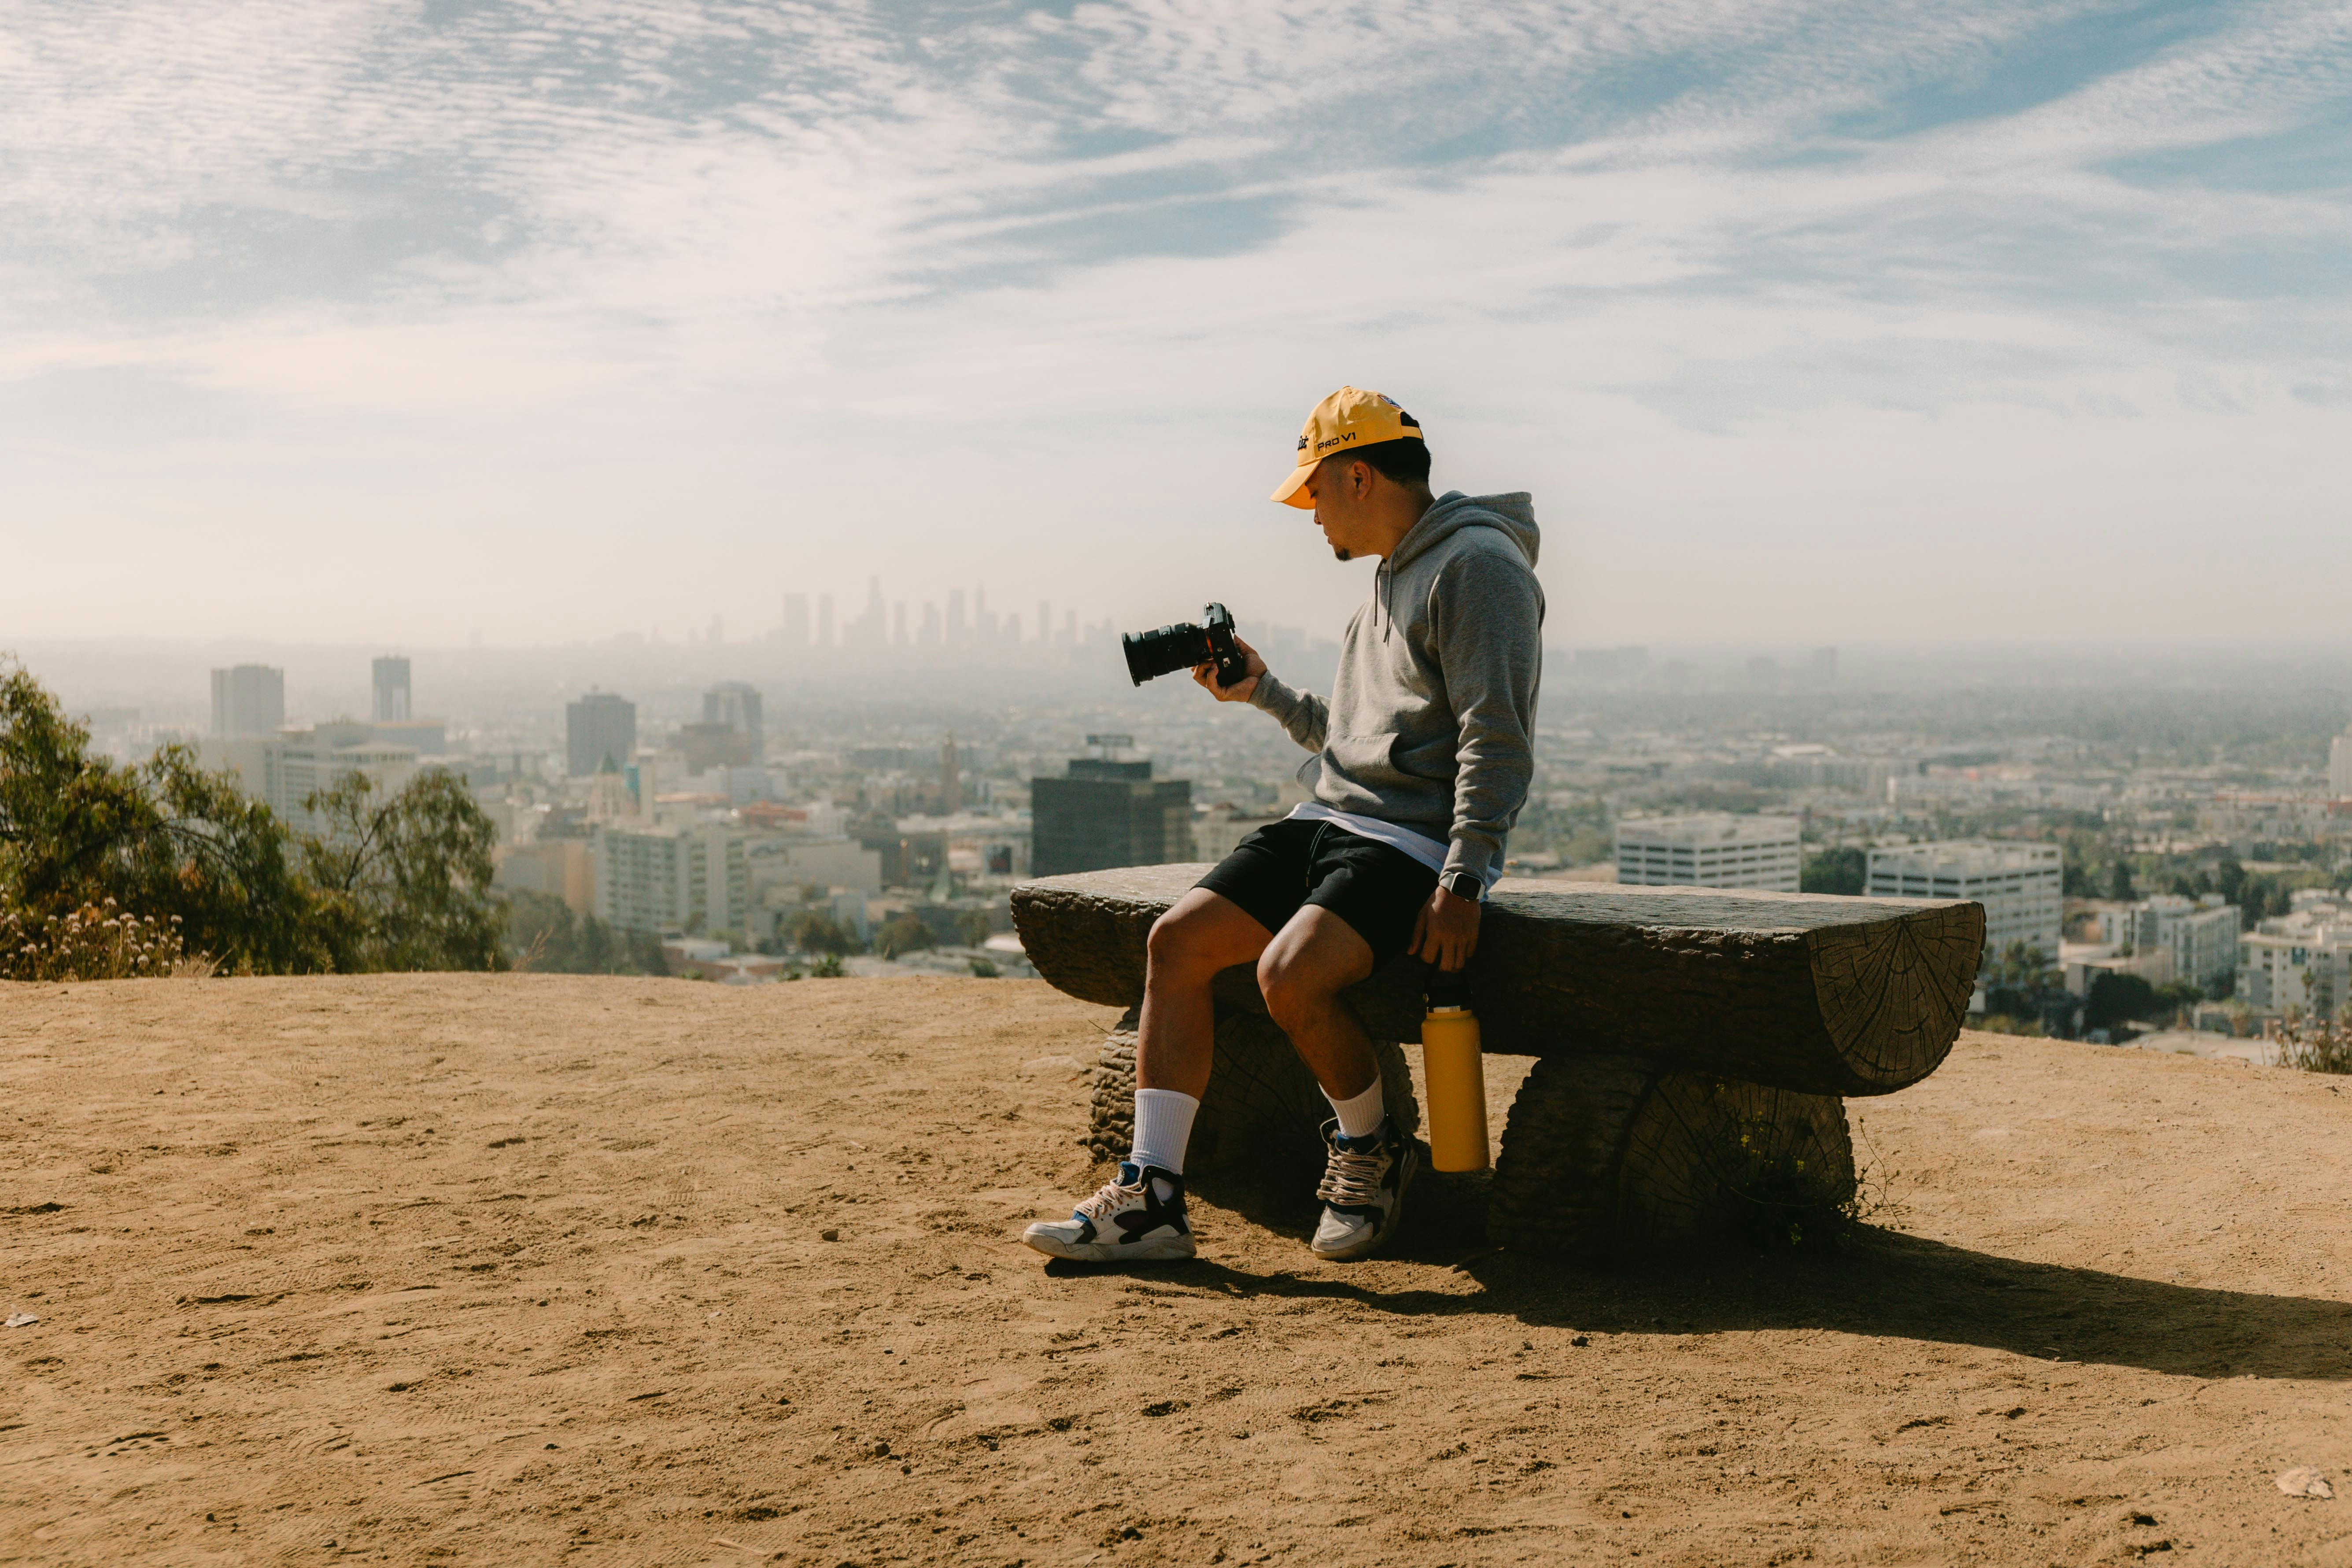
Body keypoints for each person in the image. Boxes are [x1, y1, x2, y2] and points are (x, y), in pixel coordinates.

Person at [1023, 387, 1545, 1265]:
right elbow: (1357, 740)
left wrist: (1463, 876)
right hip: (1332, 818)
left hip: (1410, 843)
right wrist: (1261, 691)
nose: (1308, 517)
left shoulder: (1478, 569)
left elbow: (1495, 737)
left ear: (1358, 476)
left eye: (1312, 494)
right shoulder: (1390, 574)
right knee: (1175, 941)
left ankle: (1372, 1145)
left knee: (1287, 976)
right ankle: (1150, 1201)